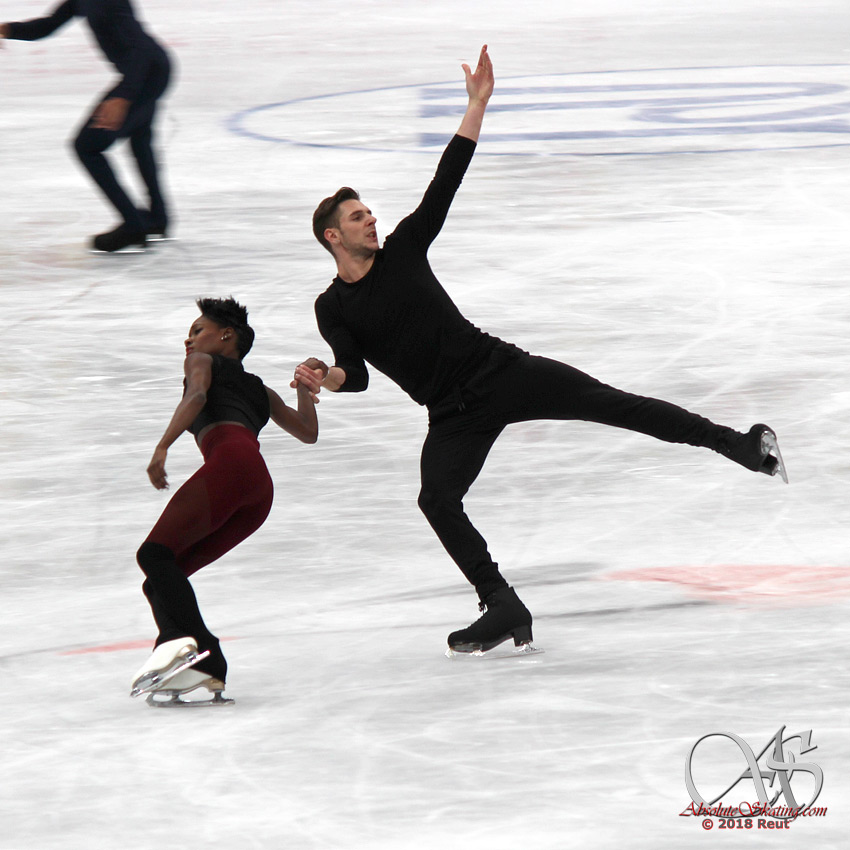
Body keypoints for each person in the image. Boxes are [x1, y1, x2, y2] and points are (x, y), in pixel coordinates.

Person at [310, 45, 787, 656]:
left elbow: (445, 182)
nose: (371, 220)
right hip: (451, 415)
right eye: (358, 218)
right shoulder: (333, 306)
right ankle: (501, 603)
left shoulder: (404, 248)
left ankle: (741, 446)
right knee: (436, 499)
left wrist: (476, 106)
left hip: (501, 372)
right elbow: (355, 374)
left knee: (617, 405)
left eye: (371, 212)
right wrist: (327, 377)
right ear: (333, 235)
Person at [131, 297, 327, 703]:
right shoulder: (261, 390)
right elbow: (307, 431)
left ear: (226, 335)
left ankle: (192, 649)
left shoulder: (201, 362)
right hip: (258, 490)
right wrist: (306, 387)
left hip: (231, 464)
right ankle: (193, 660)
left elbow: (196, 397)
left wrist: (162, 446)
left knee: (154, 555)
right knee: (162, 579)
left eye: (197, 330)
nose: (189, 340)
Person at [1, 0, 172, 252]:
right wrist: (7, 29)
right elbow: (48, 25)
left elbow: (139, 48)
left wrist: (123, 96)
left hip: (144, 73)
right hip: (152, 71)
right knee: (140, 140)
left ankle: (133, 225)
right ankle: (157, 219)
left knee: (87, 146)